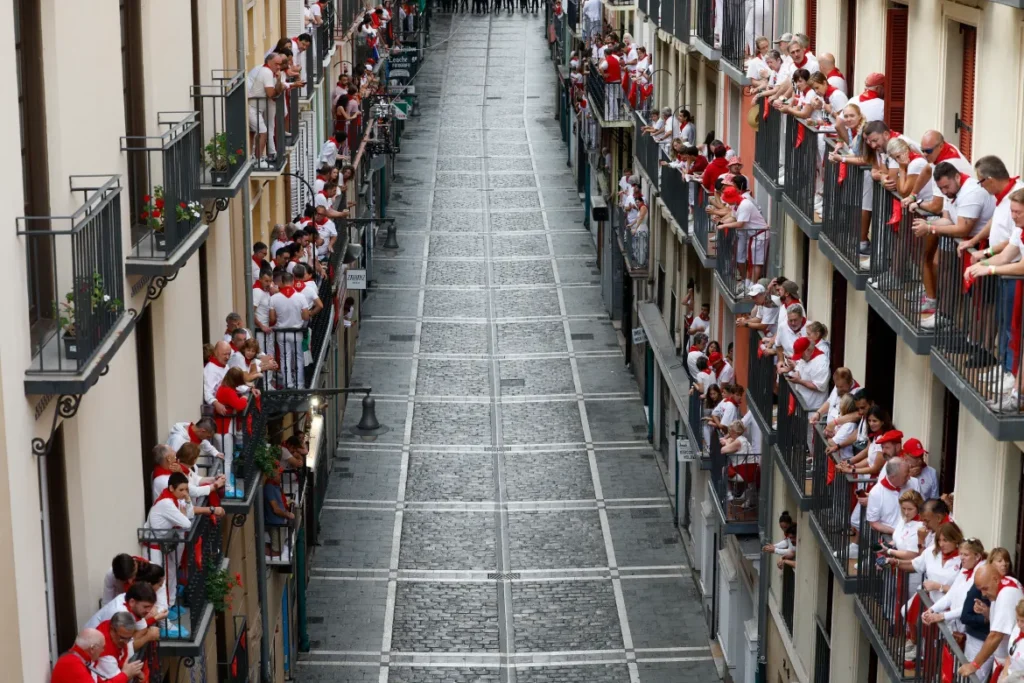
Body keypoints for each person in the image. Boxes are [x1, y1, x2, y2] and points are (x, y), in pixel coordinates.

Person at [911, 161, 996, 327]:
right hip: (967, 245)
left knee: (981, 297)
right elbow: (947, 220)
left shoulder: (971, 192)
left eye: (946, 187)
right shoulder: (951, 192)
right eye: (941, 188)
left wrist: (931, 228)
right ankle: (948, 319)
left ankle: (971, 336)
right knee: (949, 274)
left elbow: (963, 229)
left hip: (982, 247)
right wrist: (929, 226)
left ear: (957, 177)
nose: (944, 192)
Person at [958, 563, 1024, 680]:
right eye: (980, 590)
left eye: (985, 588)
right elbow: (1006, 619)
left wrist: (974, 665)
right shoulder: (1006, 582)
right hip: (1008, 661)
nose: (983, 594)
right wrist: (987, 612)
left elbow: (996, 635)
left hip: (1010, 666)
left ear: (995, 579)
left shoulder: (1006, 594)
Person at [51, 628, 143, 683]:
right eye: (102, 647)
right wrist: (125, 675)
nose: (103, 651)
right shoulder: (72, 663)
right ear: (92, 649)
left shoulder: (79, 659)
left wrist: (126, 674)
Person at [269, 271, 311, 388]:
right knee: (298, 357)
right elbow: (306, 316)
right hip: (296, 332)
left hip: (281, 332)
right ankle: (300, 383)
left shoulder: (274, 298)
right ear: (292, 282)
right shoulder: (300, 297)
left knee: (284, 357)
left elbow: (272, 319)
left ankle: (288, 383)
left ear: (281, 282)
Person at [865, 457, 915, 536]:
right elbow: (873, 523)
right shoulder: (876, 493)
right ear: (893, 477)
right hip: (889, 536)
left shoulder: (914, 483)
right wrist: (895, 532)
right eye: (905, 476)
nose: (909, 478)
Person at [95, 612, 145, 681]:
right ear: (112, 629)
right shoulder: (103, 651)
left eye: (129, 638)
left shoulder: (110, 624)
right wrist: (129, 673)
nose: (126, 642)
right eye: (122, 638)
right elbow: (118, 680)